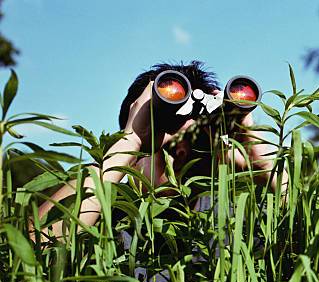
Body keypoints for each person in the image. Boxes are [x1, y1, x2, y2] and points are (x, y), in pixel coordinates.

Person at [32, 61, 285, 241]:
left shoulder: (234, 212)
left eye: (198, 147)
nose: (185, 153)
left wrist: (262, 163)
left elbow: (312, 243)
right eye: (170, 151)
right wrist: (129, 142)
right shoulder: (100, 193)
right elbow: (31, 262)